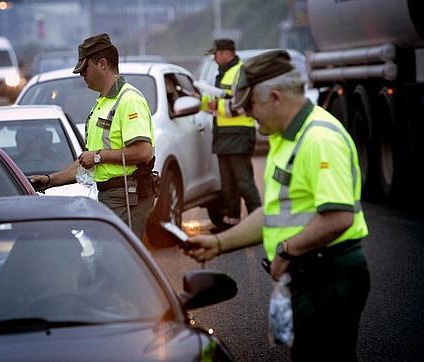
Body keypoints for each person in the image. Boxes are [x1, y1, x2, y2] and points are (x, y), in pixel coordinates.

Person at [184, 50, 370, 361]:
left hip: (330, 275)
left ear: (274, 97)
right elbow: (274, 214)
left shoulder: (319, 139)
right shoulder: (286, 138)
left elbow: (339, 217)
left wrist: (286, 250)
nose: (247, 113)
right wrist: (218, 243)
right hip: (311, 272)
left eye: (250, 105)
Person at [29, 33, 156, 239]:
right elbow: (86, 162)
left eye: (84, 68)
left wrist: (98, 156)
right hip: (110, 196)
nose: (82, 75)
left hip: (126, 196)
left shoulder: (128, 99)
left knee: (118, 264)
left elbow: (143, 152)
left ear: (102, 64)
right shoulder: (101, 104)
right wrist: (50, 180)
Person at [204, 39, 261, 233]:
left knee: (244, 181)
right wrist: (202, 101)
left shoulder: (240, 72)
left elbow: (242, 103)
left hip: (239, 134)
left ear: (226, 53)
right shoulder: (222, 73)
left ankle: (257, 223)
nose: (214, 57)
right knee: (228, 184)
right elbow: (216, 101)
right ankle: (231, 224)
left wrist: (216, 106)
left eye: (216, 54)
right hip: (224, 135)